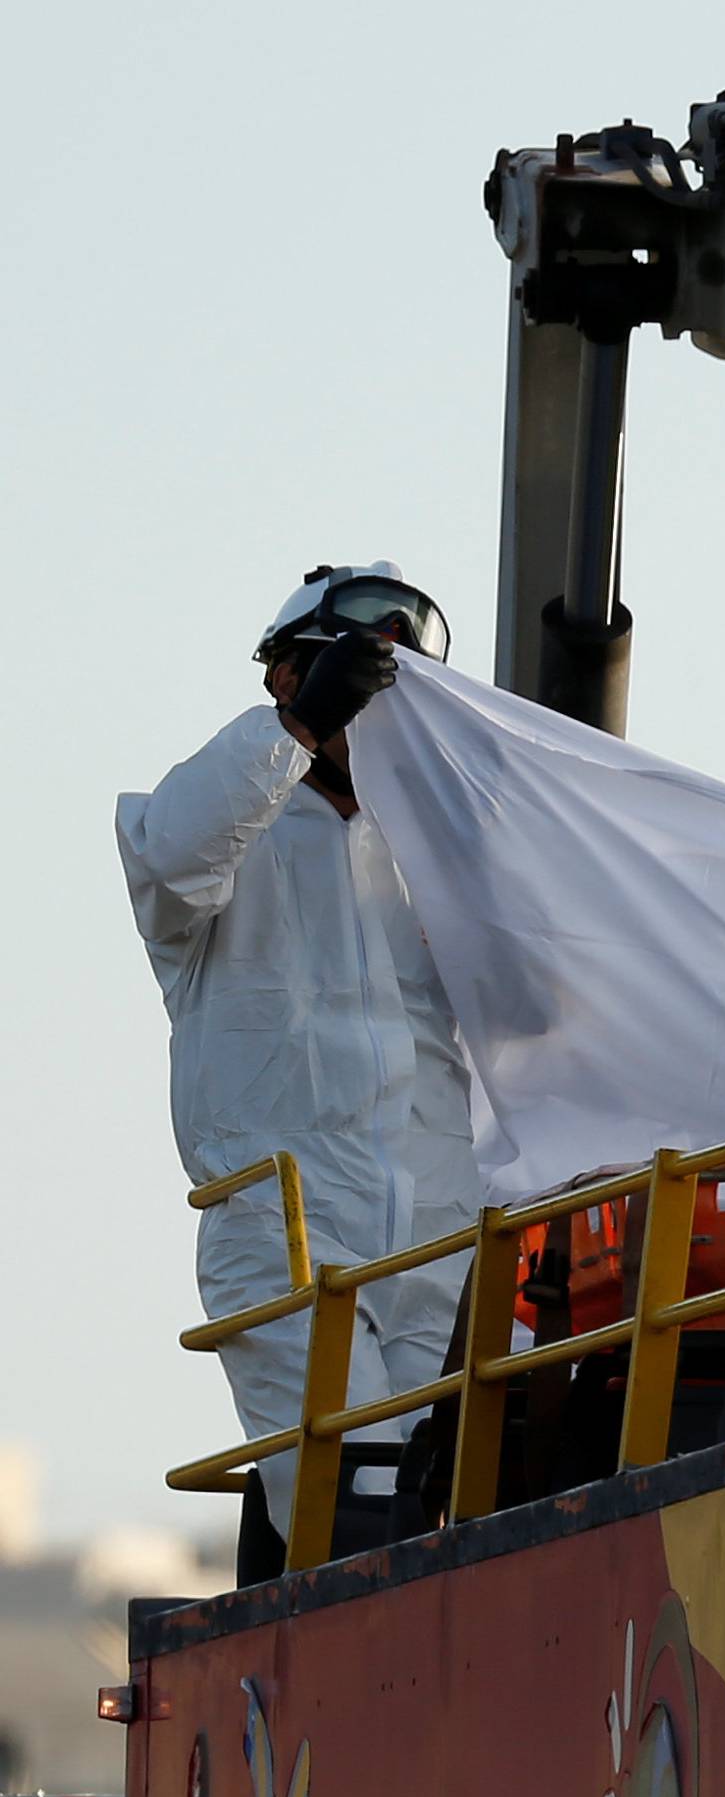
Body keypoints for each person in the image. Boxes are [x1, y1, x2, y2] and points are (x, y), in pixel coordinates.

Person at [117, 565, 480, 1575]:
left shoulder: (437, 856)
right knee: (359, 1507)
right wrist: (295, 734)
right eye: (352, 685)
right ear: (285, 678)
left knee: (451, 1513)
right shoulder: (219, 842)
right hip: (288, 1240)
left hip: (440, 1246)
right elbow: (179, 848)